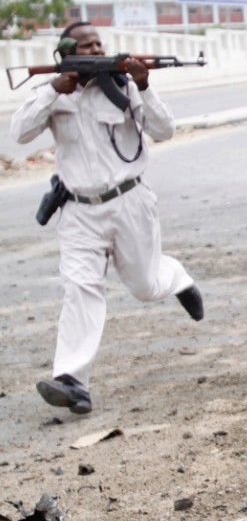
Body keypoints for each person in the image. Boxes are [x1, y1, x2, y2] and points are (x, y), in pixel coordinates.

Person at [10, 22, 204, 415]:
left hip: (130, 201)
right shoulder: (54, 92)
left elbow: (165, 131)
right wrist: (52, 90)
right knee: (80, 288)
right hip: (79, 210)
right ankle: (72, 380)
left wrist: (145, 86)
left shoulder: (125, 85)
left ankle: (178, 277)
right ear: (68, 53)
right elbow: (19, 133)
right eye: (87, 44)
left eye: (99, 42)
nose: (97, 48)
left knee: (145, 285)